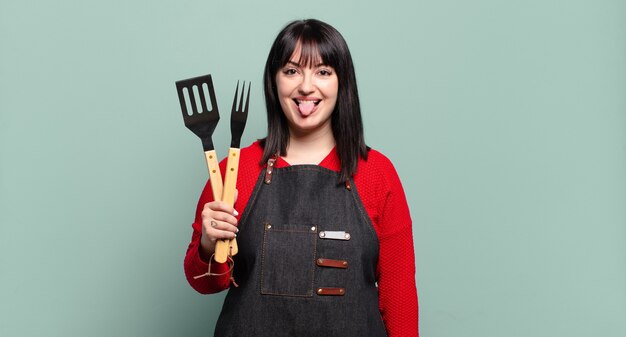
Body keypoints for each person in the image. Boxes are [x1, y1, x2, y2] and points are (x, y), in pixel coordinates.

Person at [184, 19, 418, 337]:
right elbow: (205, 283)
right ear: (274, 81)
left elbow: (399, 298)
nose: (306, 86)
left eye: (323, 71)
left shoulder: (377, 173)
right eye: (292, 70)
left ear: (342, 82)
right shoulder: (235, 170)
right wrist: (208, 245)